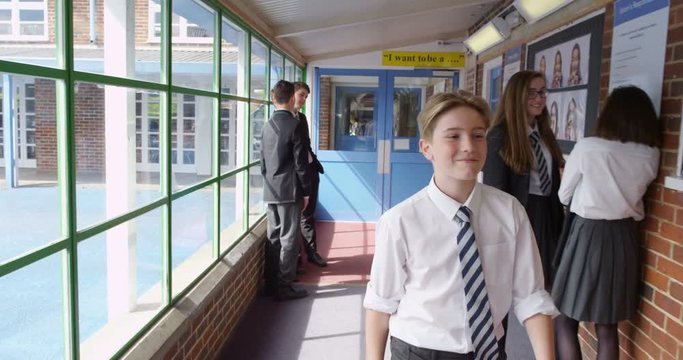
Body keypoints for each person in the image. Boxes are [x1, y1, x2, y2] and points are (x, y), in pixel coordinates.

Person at [364, 91, 557, 360]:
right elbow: (380, 304)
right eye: (453, 136)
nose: (469, 146)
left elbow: (531, 297)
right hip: (420, 352)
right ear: (426, 148)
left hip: (489, 350)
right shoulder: (400, 221)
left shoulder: (510, 211)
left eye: (478, 135)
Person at [552, 86, 660, 360]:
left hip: (587, 236)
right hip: (624, 237)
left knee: (565, 318)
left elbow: (563, 194)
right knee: (607, 325)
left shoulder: (589, 147)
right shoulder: (651, 154)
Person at [483, 70, 565, 290]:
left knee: (544, 282)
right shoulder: (499, 136)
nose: (539, 99)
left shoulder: (544, 134)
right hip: (519, 212)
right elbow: (495, 190)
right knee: (515, 283)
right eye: (531, 94)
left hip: (547, 213)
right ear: (516, 96)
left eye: (542, 92)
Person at [261, 80, 311, 301]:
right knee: (289, 238)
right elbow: (301, 164)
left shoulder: (266, 125)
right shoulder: (295, 125)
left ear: (274, 98)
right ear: (292, 98)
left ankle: (271, 283)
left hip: (270, 189)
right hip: (290, 191)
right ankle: (284, 286)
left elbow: (262, 161)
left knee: (274, 236)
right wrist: (307, 191)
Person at [293, 81, 327, 268]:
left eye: (306, 96)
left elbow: (305, 146)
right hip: (296, 176)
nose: (304, 99)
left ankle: (312, 252)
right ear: (292, 95)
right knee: (295, 217)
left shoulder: (302, 118)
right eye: (301, 95)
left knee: (308, 214)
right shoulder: (286, 120)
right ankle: (296, 258)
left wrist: (313, 164)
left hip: (310, 171)